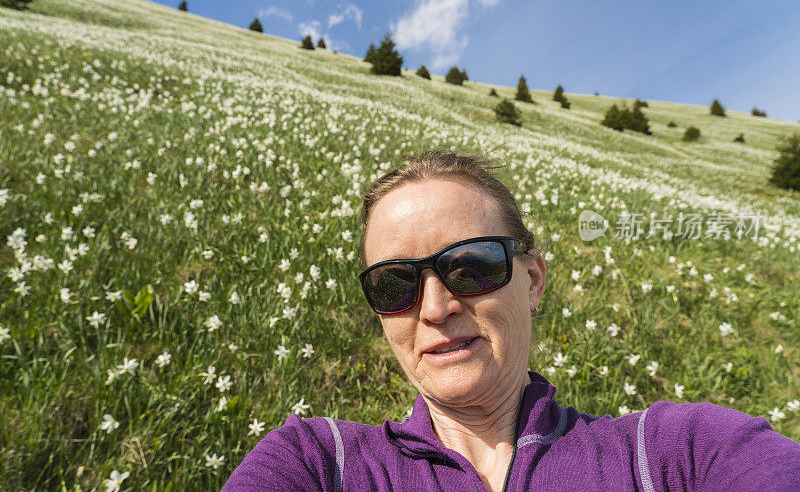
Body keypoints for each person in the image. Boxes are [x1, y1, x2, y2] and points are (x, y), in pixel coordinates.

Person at [223, 150, 800, 491]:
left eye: (471, 266)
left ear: (533, 279)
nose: (435, 307)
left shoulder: (678, 453)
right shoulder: (320, 465)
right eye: (394, 285)